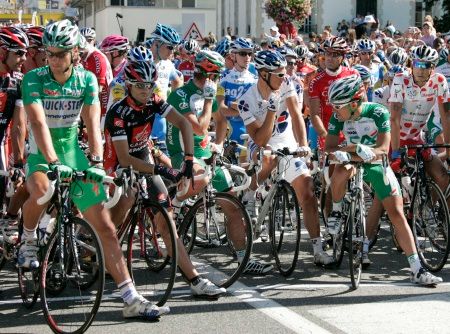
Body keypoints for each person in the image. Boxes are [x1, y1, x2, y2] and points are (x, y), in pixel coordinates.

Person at [20, 19, 169, 320]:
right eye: (49, 53)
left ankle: (130, 297)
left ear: (75, 52)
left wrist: (98, 163)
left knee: (106, 228)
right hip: (41, 150)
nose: (55, 59)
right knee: (41, 188)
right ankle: (27, 237)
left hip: (74, 152)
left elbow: (92, 123)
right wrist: (52, 162)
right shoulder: (34, 78)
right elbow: (36, 123)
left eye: (62, 53)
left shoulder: (86, 80)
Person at [103, 59, 226, 298]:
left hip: (144, 156)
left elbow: (183, 123)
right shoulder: (118, 113)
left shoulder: (154, 101)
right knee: (127, 199)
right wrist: (161, 170)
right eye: (140, 86)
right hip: (118, 162)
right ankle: (102, 243)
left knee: (167, 222)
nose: (146, 90)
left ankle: (195, 280)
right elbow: (125, 159)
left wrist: (189, 159)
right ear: (128, 85)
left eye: (150, 85)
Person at [325, 74, 443, 285]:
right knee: (340, 171)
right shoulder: (338, 117)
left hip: (375, 162)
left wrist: (350, 149)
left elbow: (381, 150)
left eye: (338, 106)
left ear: (354, 103)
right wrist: (351, 150)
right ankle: (336, 211)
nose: (334, 111)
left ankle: (416, 268)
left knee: (396, 212)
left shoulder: (378, 112)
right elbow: (330, 148)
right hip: (352, 160)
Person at [238, 50, 334, 267]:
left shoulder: (286, 84)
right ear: (264, 74)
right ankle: (251, 192)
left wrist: (303, 145)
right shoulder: (246, 100)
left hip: (287, 140)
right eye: (278, 74)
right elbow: (260, 139)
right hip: (261, 143)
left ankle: (318, 249)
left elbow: (297, 116)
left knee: (308, 192)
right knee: (267, 158)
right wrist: (271, 111)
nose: (284, 77)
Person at [389, 45, 449, 195]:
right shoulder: (400, 79)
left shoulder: (439, 81)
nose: (420, 70)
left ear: (433, 67)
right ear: (411, 64)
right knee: (387, 194)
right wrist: (396, 152)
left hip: (417, 139)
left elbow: (446, 116)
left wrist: (448, 149)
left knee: (443, 177)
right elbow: (394, 119)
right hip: (395, 139)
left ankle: (428, 213)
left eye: (425, 65)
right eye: (417, 65)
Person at [0, 27, 28, 244]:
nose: (24, 58)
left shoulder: (18, 81)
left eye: (26, 52)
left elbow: (19, 125)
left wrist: (18, 162)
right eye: (18, 52)